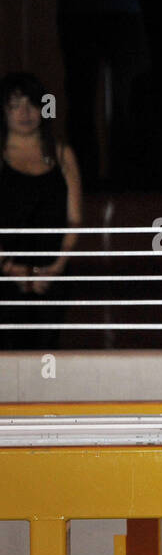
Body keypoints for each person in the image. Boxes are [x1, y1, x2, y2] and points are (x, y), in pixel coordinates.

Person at [0, 73, 83, 351]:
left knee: (46, 354)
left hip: (53, 276)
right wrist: (12, 270)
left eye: (32, 103)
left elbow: (75, 219)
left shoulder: (62, 154)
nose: (25, 112)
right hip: (4, 276)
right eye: (15, 105)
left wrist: (56, 268)